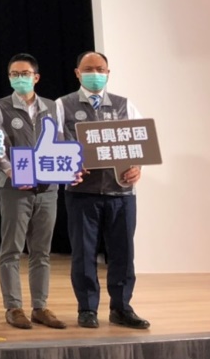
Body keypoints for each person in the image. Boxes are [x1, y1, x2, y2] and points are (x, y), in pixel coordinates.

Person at [60, 51, 149, 330]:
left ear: (108, 73)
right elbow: (53, 142)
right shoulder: (63, 105)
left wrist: (137, 167)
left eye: (100, 69)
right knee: (84, 253)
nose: (95, 74)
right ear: (77, 72)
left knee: (123, 252)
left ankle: (121, 307)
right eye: (88, 69)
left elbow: (141, 143)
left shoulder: (124, 105)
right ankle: (87, 308)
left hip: (121, 192)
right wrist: (68, 166)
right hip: (81, 192)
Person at [0, 53, 67, 331]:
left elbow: (61, 142)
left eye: (24, 74)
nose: (19, 78)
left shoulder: (53, 106)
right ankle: (13, 307)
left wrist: (66, 169)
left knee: (41, 251)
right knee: (11, 249)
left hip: (48, 188)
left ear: (36, 77)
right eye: (14, 74)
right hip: (14, 187)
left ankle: (40, 307)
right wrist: (11, 170)